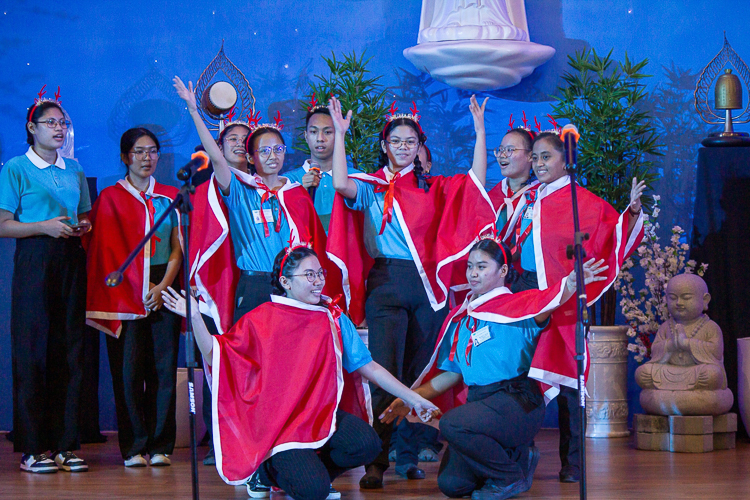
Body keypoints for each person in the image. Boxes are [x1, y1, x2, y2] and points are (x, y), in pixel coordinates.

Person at [161, 246, 440, 500]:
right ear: (286, 282)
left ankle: (310, 472)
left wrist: (414, 399)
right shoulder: (262, 318)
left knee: (367, 445)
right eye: (309, 275)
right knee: (312, 492)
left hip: (320, 414)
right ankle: (267, 472)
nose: (318, 281)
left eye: (320, 273)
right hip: (281, 425)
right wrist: (196, 316)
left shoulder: (332, 317)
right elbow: (215, 353)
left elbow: (371, 368)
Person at [327, 95, 496, 488]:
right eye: (396, 141)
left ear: (420, 147)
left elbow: (475, 181)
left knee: (420, 374)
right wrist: (339, 134)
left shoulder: (432, 187)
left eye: (411, 142)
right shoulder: (370, 186)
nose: (404, 148)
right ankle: (376, 461)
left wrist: (481, 132)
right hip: (386, 284)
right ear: (385, 145)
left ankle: (409, 454)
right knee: (385, 372)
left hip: (427, 291)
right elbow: (339, 183)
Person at [381, 238, 608, 500]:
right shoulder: (463, 317)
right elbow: (452, 374)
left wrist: (570, 284)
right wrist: (408, 398)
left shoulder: (521, 307)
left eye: (481, 267)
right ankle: (518, 458)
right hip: (481, 405)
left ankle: (510, 477)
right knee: (452, 485)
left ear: (502, 272)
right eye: (469, 267)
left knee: (453, 423)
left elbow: (549, 302)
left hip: (517, 401)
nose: (473, 273)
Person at [516, 130, 647, 482]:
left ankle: (573, 463)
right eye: (536, 157)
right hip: (527, 295)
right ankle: (516, 458)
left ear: (565, 161)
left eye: (547, 157)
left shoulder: (580, 201)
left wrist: (632, 213)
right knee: (519, 377)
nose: (539, 163)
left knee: (569, 384)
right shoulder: (526, 199)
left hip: (567, 299)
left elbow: (611, 231)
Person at [174, 76, 338, 329]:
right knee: (252, 363)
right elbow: (217, 160)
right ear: (250, 157)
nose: (272, 157)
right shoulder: (241, 191)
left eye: (278, 149)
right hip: (253, 287)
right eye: (264, 151)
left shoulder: (297, 194)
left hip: (292, 289)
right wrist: (195, 111)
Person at [0, 93, 91, 473]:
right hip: (35, 259)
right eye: (50, 122)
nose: (58, 129)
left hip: (70, 258)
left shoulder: (75, 170)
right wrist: (42, 227)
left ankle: (66, 444)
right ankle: (34, 447)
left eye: (62, 124)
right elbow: (3, 225)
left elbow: (85, 216)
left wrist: (80, 226)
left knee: (69, 351)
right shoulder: (16, 168)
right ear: (31, 128)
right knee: (33, 352)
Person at [83, 128, 183, 467]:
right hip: (124, 291)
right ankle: (134, 446)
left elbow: (176, 249)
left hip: (163, 286)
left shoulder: (171, 196)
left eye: (152, 151)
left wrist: (162, 286)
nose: (146, 158)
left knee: (163, 369)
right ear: (125, 157)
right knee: (127, 372)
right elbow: (99, 252)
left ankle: (160, 445)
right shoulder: (110, 198)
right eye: (139, 152)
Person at [283, 99, 359, 232]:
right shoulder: (288, 181)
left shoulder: (356, 178)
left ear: (339, 135)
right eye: (313, 132)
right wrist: (301, 192)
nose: (320, 138)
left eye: (328, 132)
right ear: (306, 136)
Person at [487, 127, 539, 242]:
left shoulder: (540, 196)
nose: (502, 155)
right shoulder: (492, 197)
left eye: (510, 150)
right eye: (500, 149)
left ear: (530, 156)